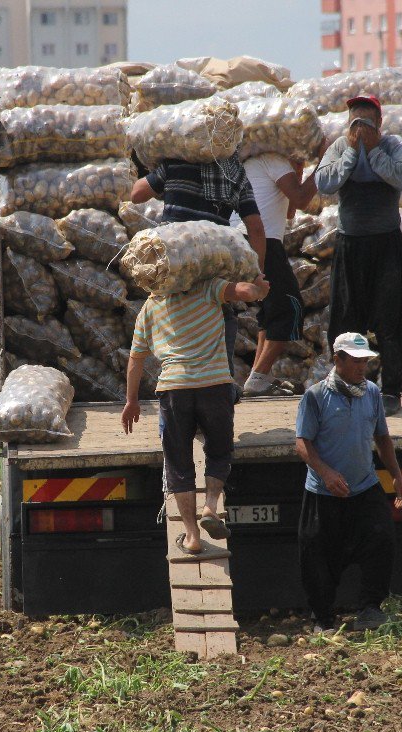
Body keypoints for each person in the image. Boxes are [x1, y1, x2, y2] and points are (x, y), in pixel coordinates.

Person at [121, 275, 270, 555]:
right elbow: (244, 291)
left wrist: (131, 401)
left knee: (178, 464)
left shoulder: (150, 307)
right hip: (214, 385)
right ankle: (210, 506)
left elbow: (136, 358)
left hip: (174, 389)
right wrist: (259, 288)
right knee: (219, 451)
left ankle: (191, 536)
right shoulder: (209, 288)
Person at [129, 150, 268, 399]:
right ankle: (220, 389)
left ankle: (179, 390)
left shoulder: (175, 163)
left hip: (171, 267)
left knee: (172, 327)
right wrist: (256, 275)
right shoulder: (234, 173)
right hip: (213, 269)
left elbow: (137, 194)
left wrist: (158, 170)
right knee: (222, 318)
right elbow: (256, 228)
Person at [295, 332, 402, 632]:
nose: (362, 367)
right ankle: (323, 619)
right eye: (356, 361)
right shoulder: (316, 396)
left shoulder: (371, 392)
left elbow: (381, 437)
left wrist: (397, 476)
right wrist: (326, 473)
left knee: (381, 539)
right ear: (338, 360)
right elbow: (302, 443)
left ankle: (370, 608)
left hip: (364, 485)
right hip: (323, 492)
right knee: (319, 555)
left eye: (365, 362)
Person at [315, 94, 402, 416]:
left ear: (379, 124)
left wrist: (372, 151)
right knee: (345, 322)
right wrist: (351, 153)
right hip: (350, 245)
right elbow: (324, 183)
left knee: (388, 321)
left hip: (385, 244)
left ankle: (391, 392)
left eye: (365, 123)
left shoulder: (392, 145)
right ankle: (348, 389)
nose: (359, 128)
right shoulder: (340, 147)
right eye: (354, 122)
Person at [232, 143, 328, 396]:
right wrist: (325, 161)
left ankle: (258, 376)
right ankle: (259, 376)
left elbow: (290, 211)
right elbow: (302, 199)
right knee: (290, 306)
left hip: (244, 239)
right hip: (260, 239)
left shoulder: (256, 164)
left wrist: (297, 174)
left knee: (271, 308)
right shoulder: (272, 157)